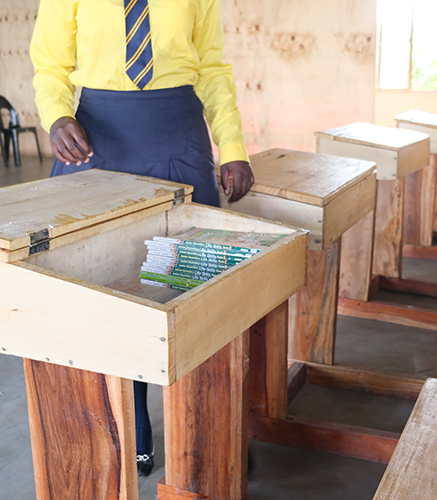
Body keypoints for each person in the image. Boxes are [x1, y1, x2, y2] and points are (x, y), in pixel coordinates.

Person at [30, 0, 254, 477]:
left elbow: (211, 65)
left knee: (197, 281)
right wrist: (56, 116)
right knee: (105, 287)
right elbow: (50, 65)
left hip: (178, 132)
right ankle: (128, 423)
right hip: (97, 136)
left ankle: (214, 424)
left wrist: (231, 145)